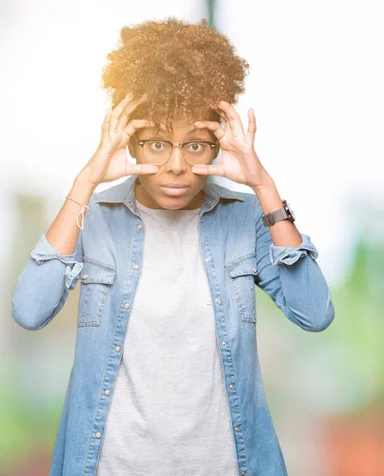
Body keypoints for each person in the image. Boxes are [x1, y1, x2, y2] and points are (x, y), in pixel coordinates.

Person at [11, 17, 335, 476]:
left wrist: (265, 187)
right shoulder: (96, 217)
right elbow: (30, 309)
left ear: (217, 144)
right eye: (157, 144)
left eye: (196, 145)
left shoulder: (246, 218)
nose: (177, 166)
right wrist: (84, 182)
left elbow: (315, 312)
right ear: (131, 142)